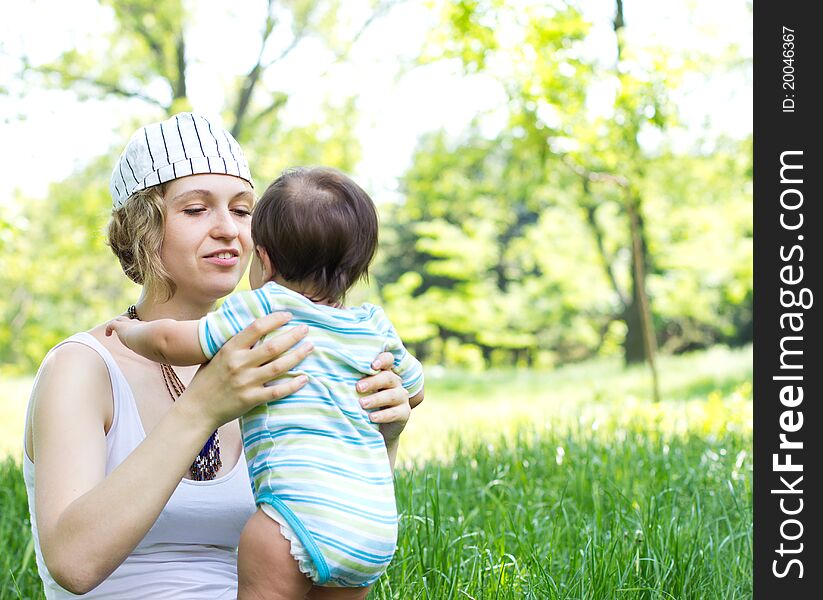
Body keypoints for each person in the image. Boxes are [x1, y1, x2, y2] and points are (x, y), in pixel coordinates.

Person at [22, 112, 417, 599]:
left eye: (243, 210)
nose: (229, 229)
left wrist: (382, 436)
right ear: (144, 227)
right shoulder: (82, 367)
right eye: (196, 210)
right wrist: (203, 406)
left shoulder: (281, 358)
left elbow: (327, 541)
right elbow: (72, 563)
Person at [106, 166, 424, 599]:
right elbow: (413, 389)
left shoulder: (267, 308)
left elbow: (172, 340)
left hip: (295, 520)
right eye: (198, 209)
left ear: (266, 259)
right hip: (371, 529)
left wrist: (130, 332)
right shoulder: (373, 325)